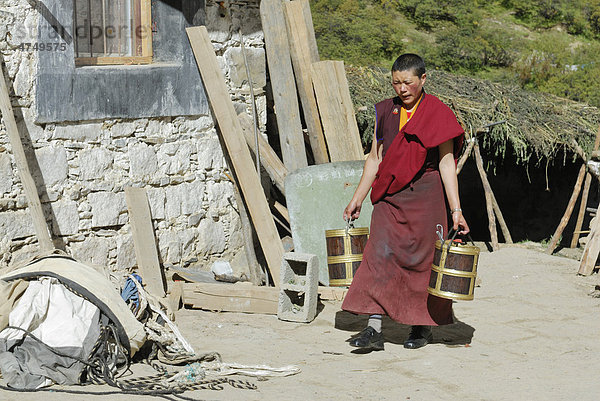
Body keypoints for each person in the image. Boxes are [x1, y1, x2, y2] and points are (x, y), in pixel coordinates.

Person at [341, 53, 470, 351]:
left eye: (408, 82)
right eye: (396, 83)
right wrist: (357, 198)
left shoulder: (437, 112)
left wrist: (456, 210)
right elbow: (375, 158)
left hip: (427, 196)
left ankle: (421, 327)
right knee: (378, 255)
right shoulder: (385, 111)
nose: (401, 89)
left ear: (423, 79)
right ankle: (373, 328)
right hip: (390, 194)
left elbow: (446, 163)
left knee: (422, 262)